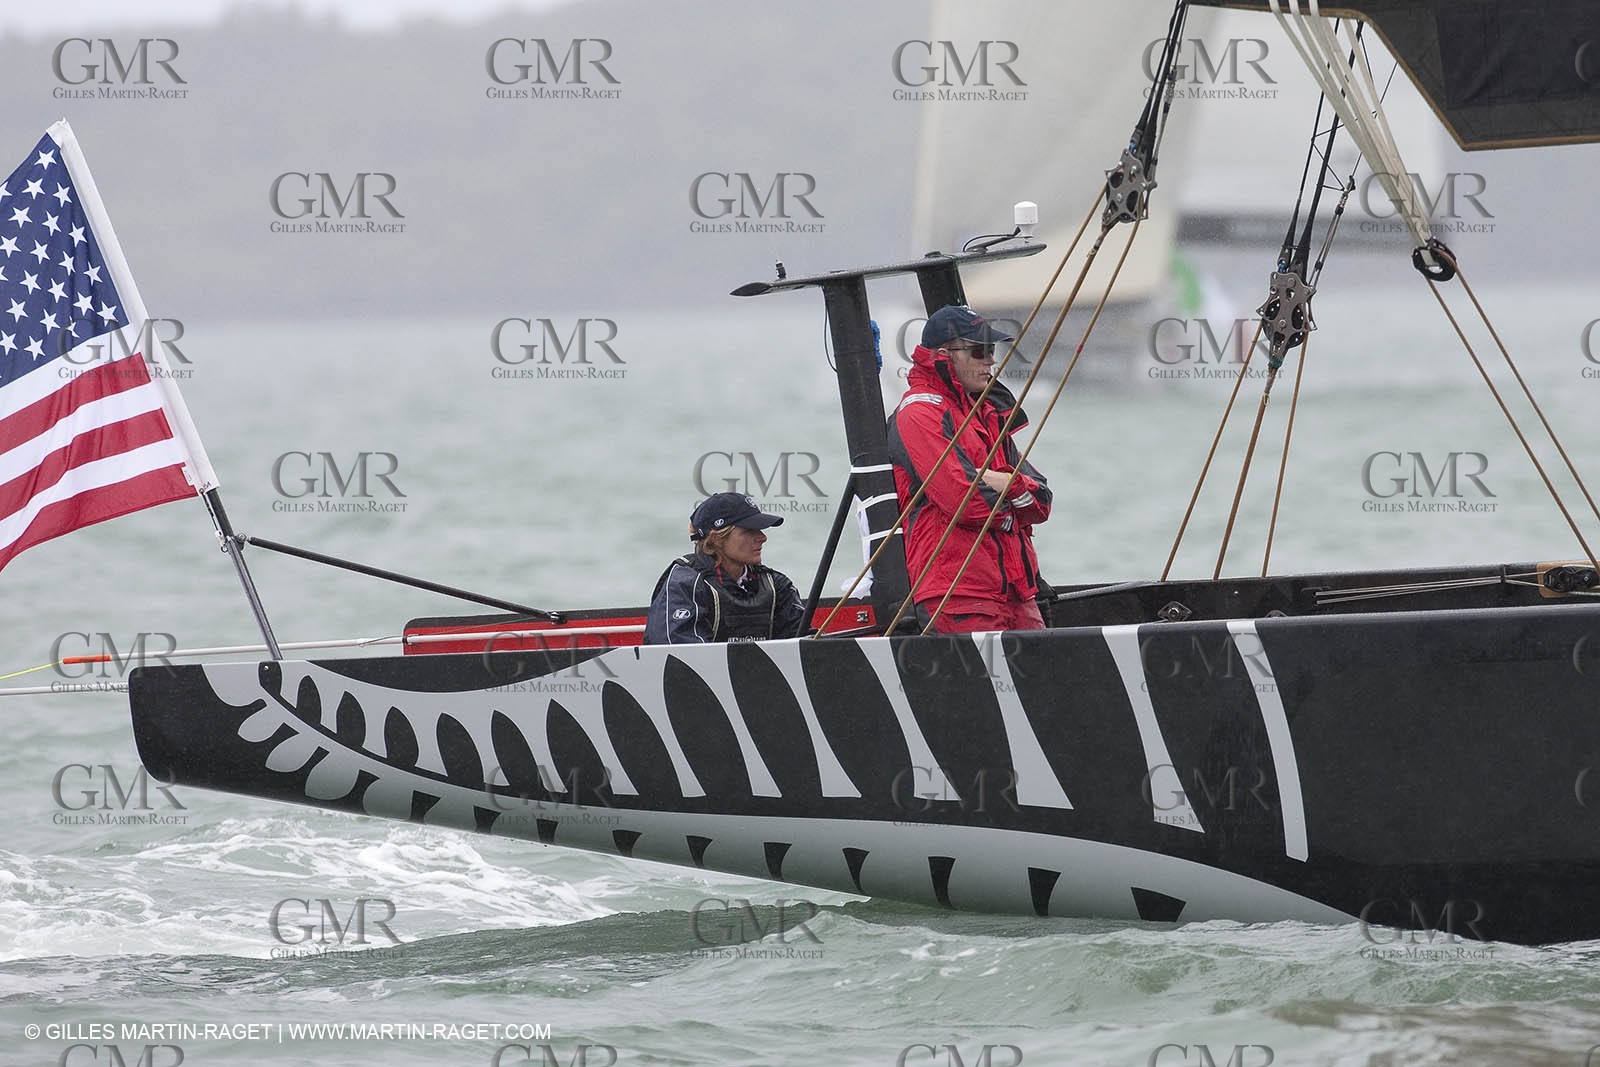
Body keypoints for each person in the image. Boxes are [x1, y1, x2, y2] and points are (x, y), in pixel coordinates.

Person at [887, 304, 1053, 633]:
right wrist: (1013, 514)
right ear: (944, 355)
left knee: (1042, 678)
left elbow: (1043, 501)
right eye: (979, 350)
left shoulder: (986, 412)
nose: (991, 360)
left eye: (991, 350)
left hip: (1016, 590)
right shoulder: (920, 412)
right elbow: (965, 502)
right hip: (958, 593)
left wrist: (1010, 485)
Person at [645, 492, 808, 643]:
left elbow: (805, 648)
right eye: (749, 531)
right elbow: (679, 660)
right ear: (716, 538)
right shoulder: (685, 585)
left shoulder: (777, 586)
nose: (762, 537)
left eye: (760, 530)